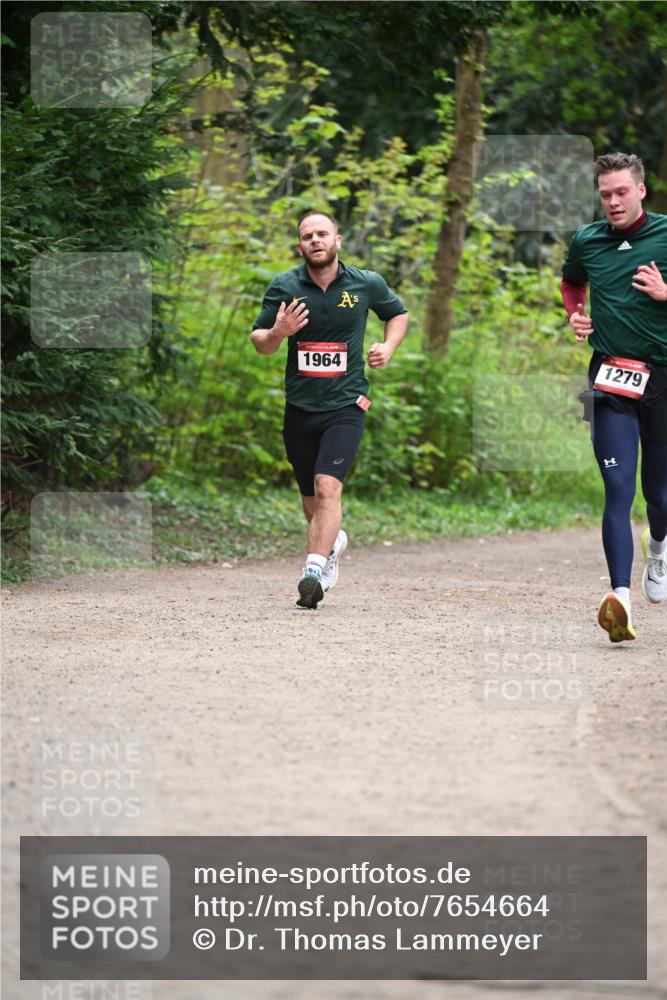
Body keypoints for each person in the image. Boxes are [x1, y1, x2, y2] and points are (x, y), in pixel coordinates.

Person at [251, 211, 409, 609]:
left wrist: (387, 347)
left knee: (328, 487)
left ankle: (313, 572)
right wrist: (278, 332)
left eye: (323, 234)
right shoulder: (285, 285)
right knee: (311, 500)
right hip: (301, 407)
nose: (315, 240)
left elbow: (398, 314)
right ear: (300, 246)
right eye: (308, 236)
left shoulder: (365, 283)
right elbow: (260, 342)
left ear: (338, 240)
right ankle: (333, 544)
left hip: (346, 403)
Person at [561, 152, 667, 642]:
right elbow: (571, 281)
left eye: (621, 192)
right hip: (611, 376)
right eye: (605, 194)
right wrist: (577, 313)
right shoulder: (588, 239)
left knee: (659, 496)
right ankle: (619, 598)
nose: (613, 202)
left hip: (664, 379)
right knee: (618, 487)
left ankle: (660, 547)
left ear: (641, 190)